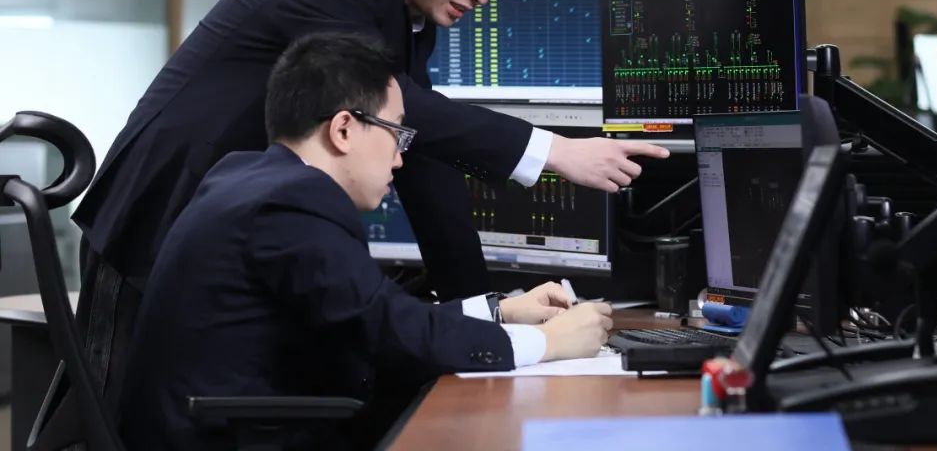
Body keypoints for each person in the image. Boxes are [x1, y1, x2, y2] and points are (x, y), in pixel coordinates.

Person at [72, 0, 667, 410]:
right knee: (119, 413)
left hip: (229, 230)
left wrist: (488, 310)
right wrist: (554, 149)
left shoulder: (406, 14)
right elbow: (412, 113)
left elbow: (422, 150)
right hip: (159, 212)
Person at [119, 31, 614, 450]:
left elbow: (370, 317)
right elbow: (388, 333)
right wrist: (549, 342)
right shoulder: (291, 204)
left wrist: (499, 312)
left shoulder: (247, 177)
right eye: (397, 133)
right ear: (343, 129)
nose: (400, 158)